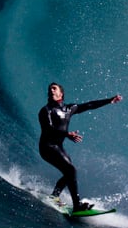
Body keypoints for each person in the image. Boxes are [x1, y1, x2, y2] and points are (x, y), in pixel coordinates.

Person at [38, 82, 122, 212]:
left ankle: (54, 196)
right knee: (71, 170)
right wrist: (67, 134)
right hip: (47, 147)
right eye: (49, 89)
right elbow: (49, 129)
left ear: (61, 93)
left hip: (58, 147)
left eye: (54, 88)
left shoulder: (69, 109)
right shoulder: (46, 111)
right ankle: (77, 206)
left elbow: (89, 105)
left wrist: (109, 100)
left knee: (70, 173)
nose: (51, 91)